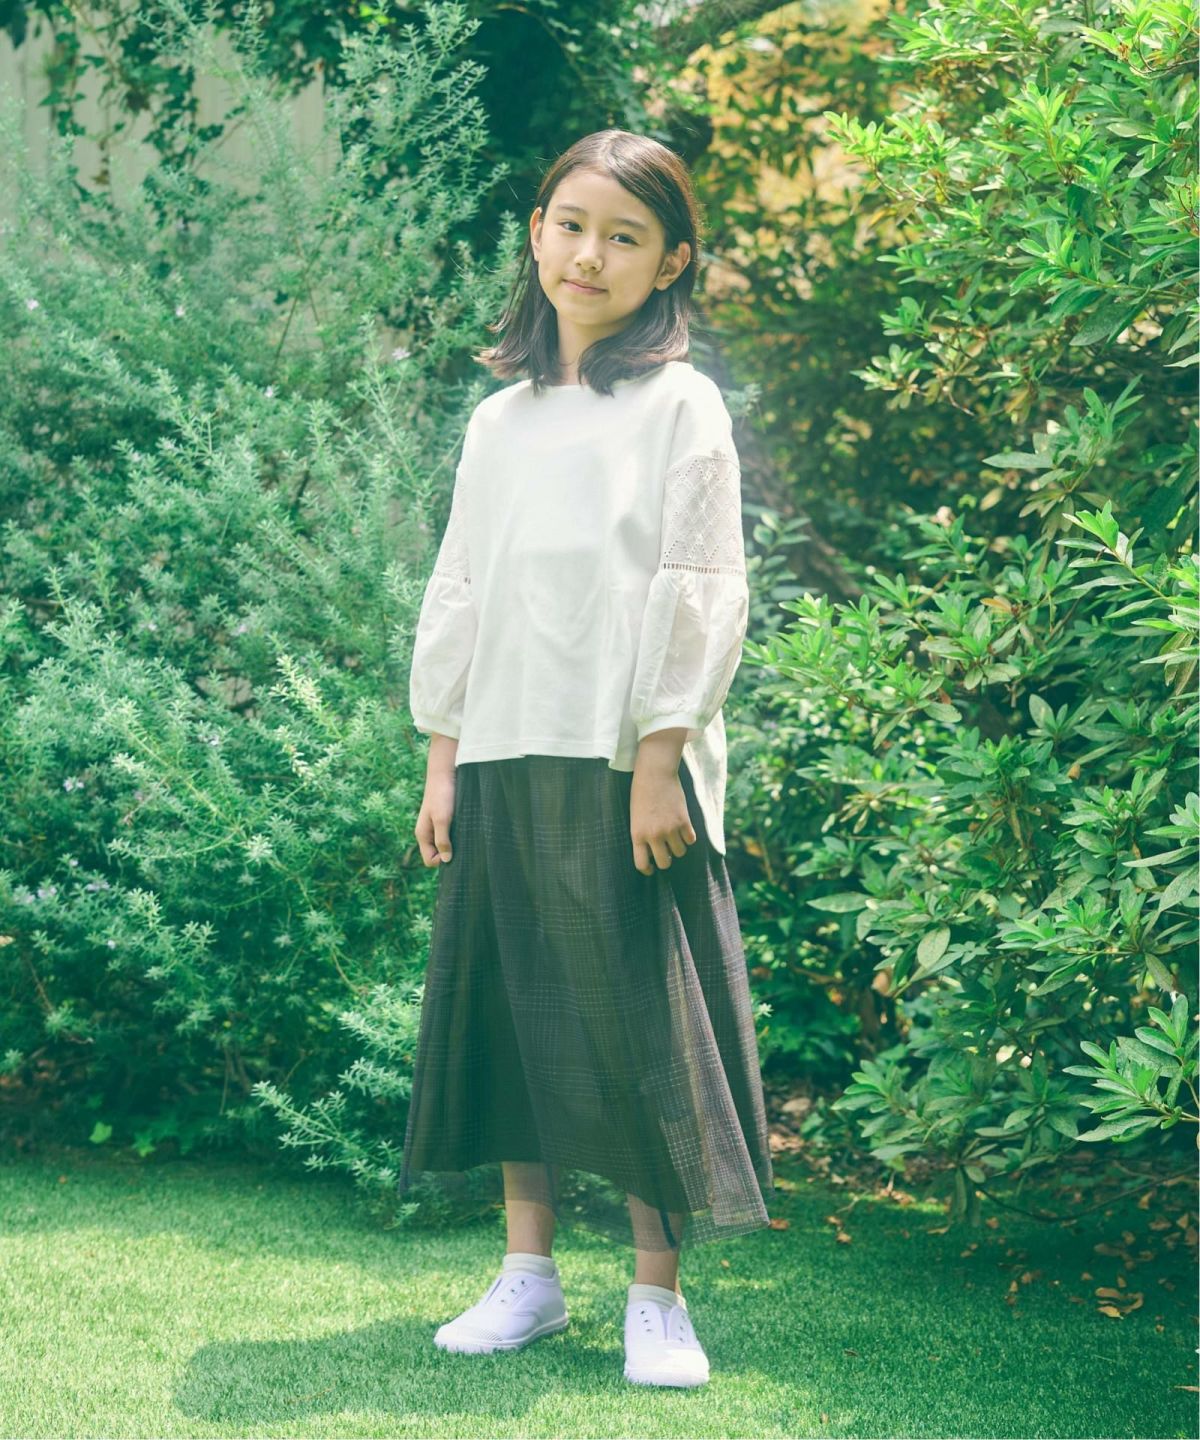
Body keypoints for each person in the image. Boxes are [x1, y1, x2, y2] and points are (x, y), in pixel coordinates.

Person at [399, 127, 775, 1390]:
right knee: (519, 1012)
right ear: (536, 233)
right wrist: (443, 756)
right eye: (571, 225)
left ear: (671, 263)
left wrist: (660, 754)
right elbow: (462, 586)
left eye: (625, 236)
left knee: (640, 1026)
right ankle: (529, 1277)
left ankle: (656, 1297)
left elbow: (700, 582)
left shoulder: (681, 404)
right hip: (504, 748)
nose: (589, 255)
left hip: (626, 765)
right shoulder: (497, 421)